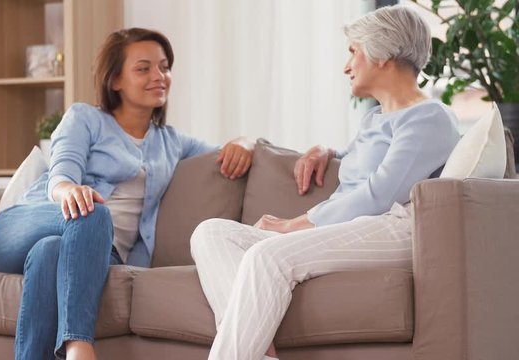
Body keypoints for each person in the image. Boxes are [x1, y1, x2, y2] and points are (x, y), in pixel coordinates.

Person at [190, 5, 461, 360]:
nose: (346, 66)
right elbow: (356, 155)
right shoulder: (376, 119)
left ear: (383, 54)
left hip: (395, 226)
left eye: (353, 51)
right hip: (357, 227)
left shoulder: (430, 118)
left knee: (268, 256)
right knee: (211, 233)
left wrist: (295, 224)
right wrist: (324, 150)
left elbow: (380, 193)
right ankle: (259, 350)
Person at [0, 28, 254, 360]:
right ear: (115, 80)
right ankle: (78, 346)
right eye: (144, 68)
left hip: (95, 251)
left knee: (50, 253)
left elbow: (227, 150)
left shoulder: (171, 141)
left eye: (164, 67)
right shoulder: (85, 118)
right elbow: (62, 173)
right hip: (24, 226)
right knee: (94, 212)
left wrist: (244, 142)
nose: (159, 76)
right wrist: (69, 190)